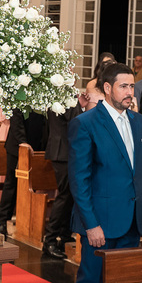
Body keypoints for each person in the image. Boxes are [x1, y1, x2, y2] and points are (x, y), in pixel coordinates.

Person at [69, 62, 142, 283]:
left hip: (131, 221)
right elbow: (79, 181)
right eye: (123, 86)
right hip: (100, 224)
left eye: (132, 86)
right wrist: (91, 224)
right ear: (107, 88)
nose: (130, 91)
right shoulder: (86, 123)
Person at [41, 89, 97, 259]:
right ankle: (50, 240)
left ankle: (64, 235)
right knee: (65, 195)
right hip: (63, 151)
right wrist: (86, 109)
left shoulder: (61, 92)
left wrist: (81, 105)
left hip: (63, 150)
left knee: (70, 195)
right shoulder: (63, 93)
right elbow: (76, 122)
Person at [0, 109, 47, 236]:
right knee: (11, 183)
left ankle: (28, 223)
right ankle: (3, 221)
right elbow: (16, 118)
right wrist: (22, 141)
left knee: (33, 184)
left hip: (37, 146)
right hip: (17, 145)